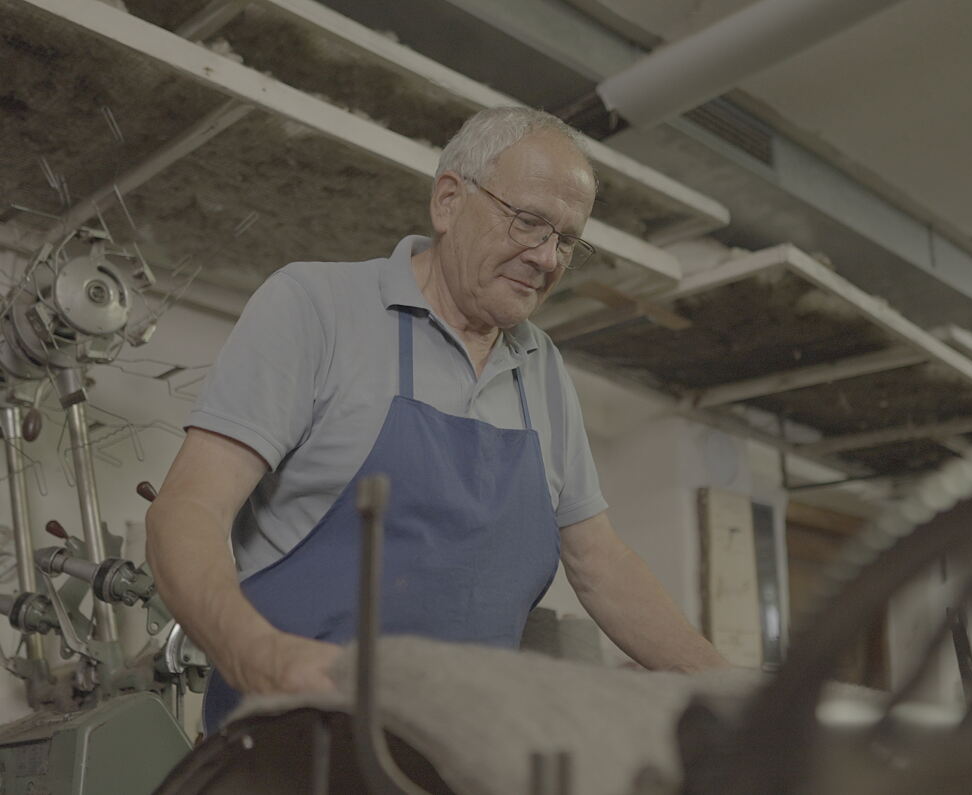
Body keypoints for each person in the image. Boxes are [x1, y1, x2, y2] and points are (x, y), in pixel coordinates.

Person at [145, 107, 729, 732]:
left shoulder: (543, 369)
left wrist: (727, 687)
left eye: (566, 241)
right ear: (449, 201)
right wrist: (256, 655)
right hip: (291, 742)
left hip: (459, 753)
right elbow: (187, 511)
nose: (546, 258)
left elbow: (601, 563)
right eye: (530, 223)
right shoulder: (316, 308)